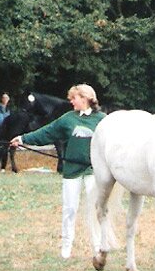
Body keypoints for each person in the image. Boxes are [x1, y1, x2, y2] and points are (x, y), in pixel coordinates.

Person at [10, 84, 105, 259]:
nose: (71, 101)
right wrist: (23, 139)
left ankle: (98, 247)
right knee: (70, 209)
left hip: (93, 171)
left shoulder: (102, 120)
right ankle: (66, 247)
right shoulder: (67, 119)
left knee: (94, 208)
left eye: (74, 98)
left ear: (85, 98)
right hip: (71, 171)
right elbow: (47, 132)